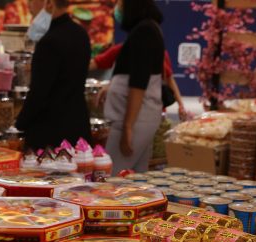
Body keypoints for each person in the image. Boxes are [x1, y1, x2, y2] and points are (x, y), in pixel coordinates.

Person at [15, 0, 91, 150]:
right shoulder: (80, 33)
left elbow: (39, 93)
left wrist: (20, 123)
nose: (29, 6)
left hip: (51, 135)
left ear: (49, 3)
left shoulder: (49, 41)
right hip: (78, 125)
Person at [101, 0, 164, 174]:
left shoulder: (144, 31)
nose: (118, 6)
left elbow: (138, 83)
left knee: (109, 177)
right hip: (139, 118)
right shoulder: (147, 28)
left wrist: (128, 127)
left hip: (134, 119)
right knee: (136, 179)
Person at [91, 43, 187, 121]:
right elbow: (96, 63)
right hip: (125, 111)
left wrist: (181, 106)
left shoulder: (159, 52)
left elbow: (169, 79)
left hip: (152, 112)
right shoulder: (121, 49)